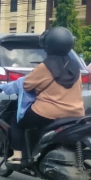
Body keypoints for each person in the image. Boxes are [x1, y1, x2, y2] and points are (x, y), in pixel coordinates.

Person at [6, 26, 85, 164]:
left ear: (48, 45)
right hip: (75, 113)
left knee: (16, 122)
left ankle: (18, 156)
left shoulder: (45, 66)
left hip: (47, 113)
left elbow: (27, 85)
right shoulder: (75, 66)